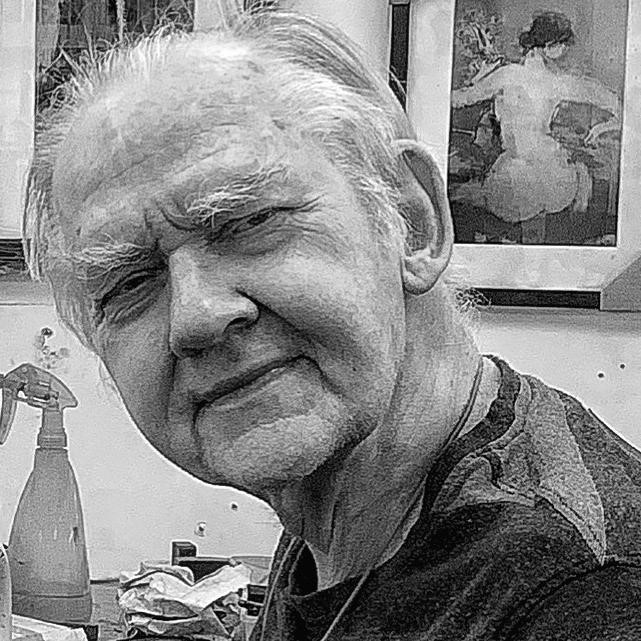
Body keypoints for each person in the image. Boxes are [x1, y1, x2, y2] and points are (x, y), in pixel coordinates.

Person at [24, 6, 641, 641]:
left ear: (411, 221)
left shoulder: (585, 594)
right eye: (128, 281)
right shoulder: (348, 510)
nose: (196, 317)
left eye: (248, 222)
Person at [450, 11, 621, 226]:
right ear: (550, 46)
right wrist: (604, 127)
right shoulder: (558, 82)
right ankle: (580, 177)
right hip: (552, 172)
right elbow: (613, 103)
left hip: (527, 169)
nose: (564, 50)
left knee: (494, 198)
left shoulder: (507, 74)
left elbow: (459, 99)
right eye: (562, 44)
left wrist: (478, 80)